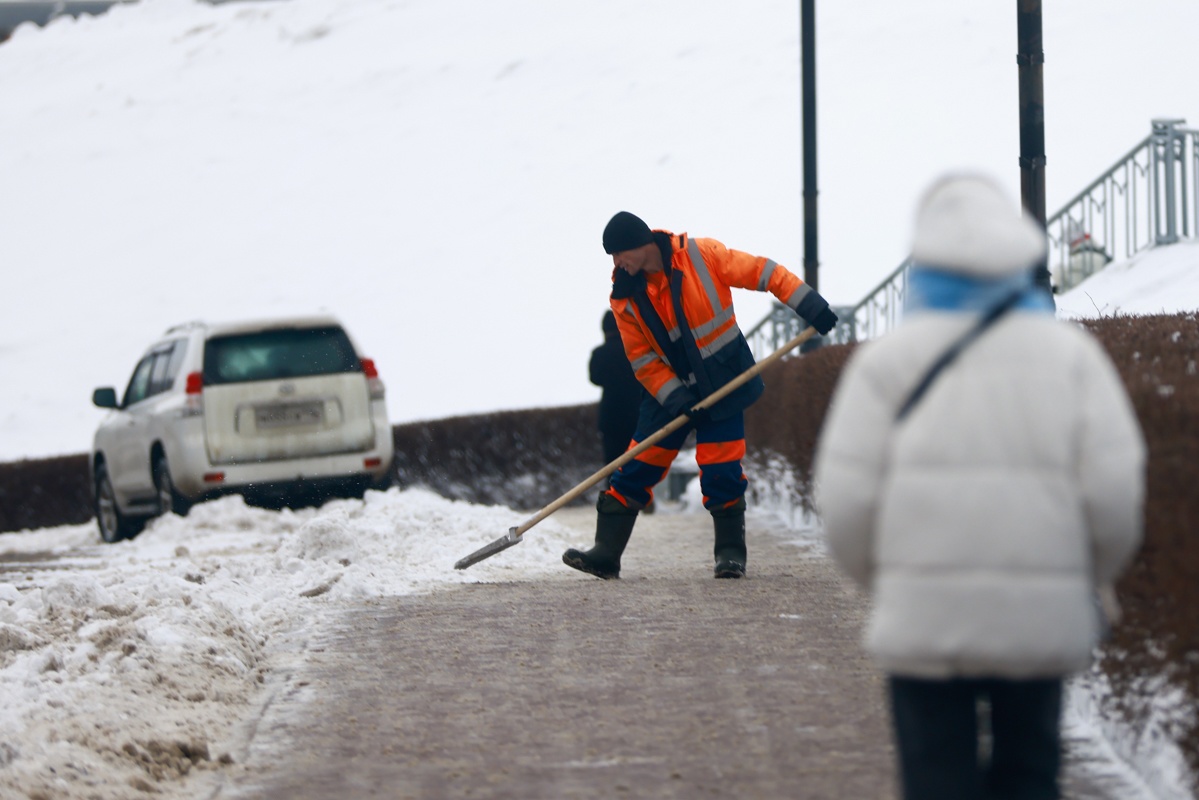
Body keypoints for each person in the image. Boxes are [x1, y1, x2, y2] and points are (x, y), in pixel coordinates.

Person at [813, 173, 1146, 799]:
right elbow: (1115, 497)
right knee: (1028, 777)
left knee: (937, 780)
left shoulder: (885, 364)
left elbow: (846, 506)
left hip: (925, 624)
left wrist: (890, 582)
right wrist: (1084, 576)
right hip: (1040, 621)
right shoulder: (1071, 357)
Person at [562, 211, 838, 580]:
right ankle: (606, 554)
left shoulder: (702, 256)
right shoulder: (623, 298)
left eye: (618, 254)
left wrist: (809, 305)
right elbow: (643, 360)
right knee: (636, 466)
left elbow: (765, 272)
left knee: (722, 469)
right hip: (668, 394)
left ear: (639, 245)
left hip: (722, 382)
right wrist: (676, 398)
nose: (617, 263)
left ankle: (729, 554)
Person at [589, 310, 647, 469]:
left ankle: (615, 493)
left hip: (611, 416)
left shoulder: (599, 353)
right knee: (637, 462)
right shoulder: (632, 349)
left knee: (613, 465)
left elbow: (595, 378)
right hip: (635, 412)